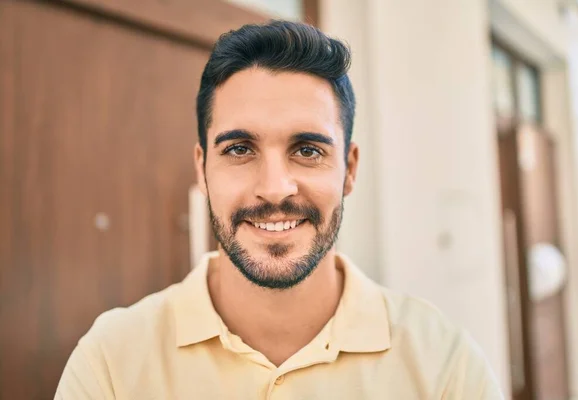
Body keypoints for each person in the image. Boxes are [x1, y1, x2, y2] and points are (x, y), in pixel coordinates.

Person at [55, 20, 504, 399]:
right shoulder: (111, 364)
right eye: (239, 149)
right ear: (202, 168)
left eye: (308, 150)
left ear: (348, 170)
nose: (274, 189)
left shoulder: (445, 367)